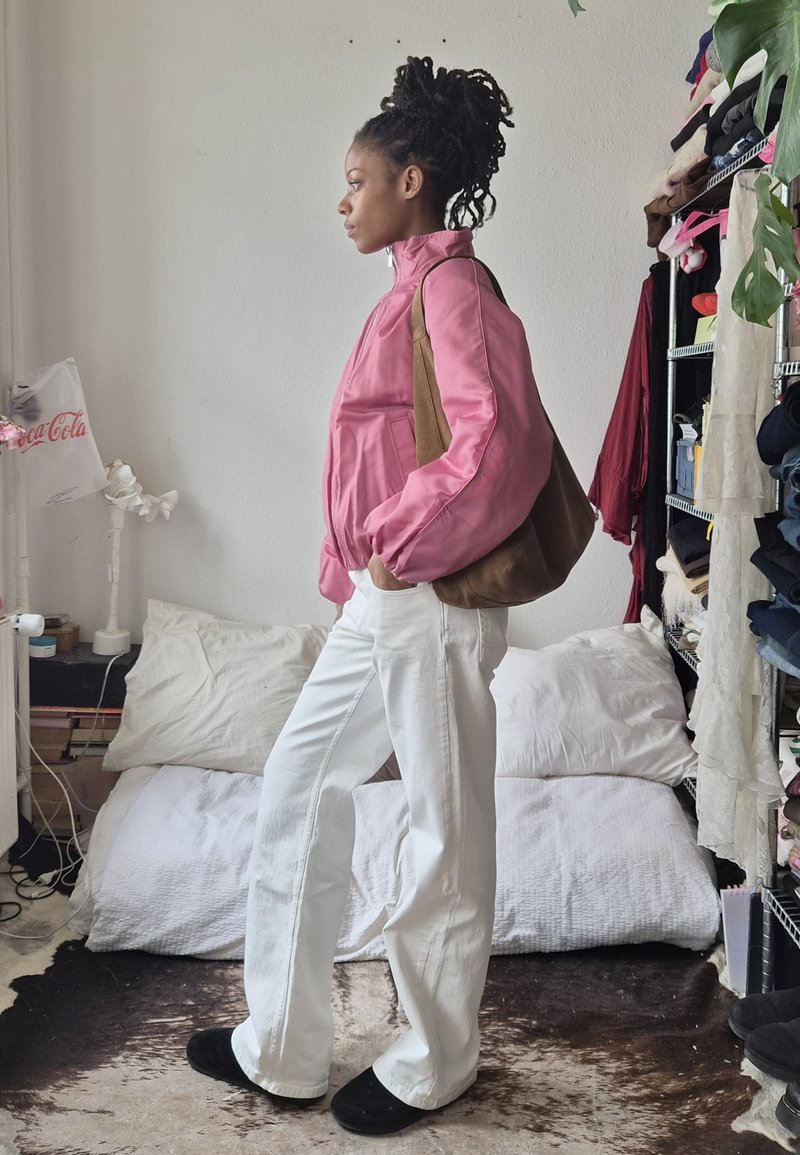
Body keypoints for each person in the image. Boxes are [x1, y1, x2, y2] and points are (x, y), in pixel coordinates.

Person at [186, 54, 553, 1136]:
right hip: (383, 597)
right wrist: (358, 567)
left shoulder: (453, 289)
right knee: (298, 784)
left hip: (431, 593)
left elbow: (500, 442)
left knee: (446, 828)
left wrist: (397, 546)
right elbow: (381, 449)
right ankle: (282, 1046)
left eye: (357, 180)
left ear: (411, 179)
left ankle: (435, 1060)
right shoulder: (409, 290)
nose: (342, 200)